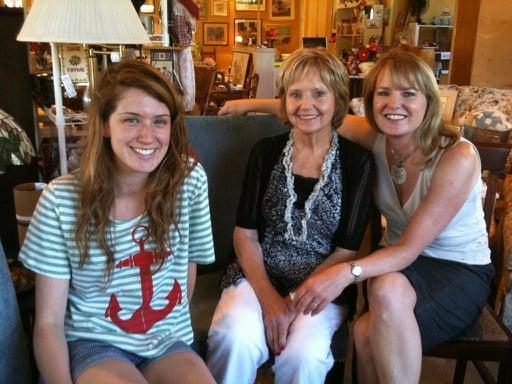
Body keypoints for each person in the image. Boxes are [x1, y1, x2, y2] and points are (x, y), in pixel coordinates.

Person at [218, 49, 494, 383]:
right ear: (370, 100)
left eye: (409, 93)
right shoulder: (381, 139)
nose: (395, 104)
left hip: (451, 268)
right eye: (384, 93)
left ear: (430, 101)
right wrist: (247, 105)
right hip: (399, 265)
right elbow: (308, 108)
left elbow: (407, 249)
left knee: (383, 292)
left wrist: (349, 272)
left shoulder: (457, 156)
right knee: (363, 332)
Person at [18, 60, 216, 384]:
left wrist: (166, 329)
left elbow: (186, 273)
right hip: (93, 343)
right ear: (106, 124)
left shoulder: (189, 181)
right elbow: (48, 324)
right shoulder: (60, 201)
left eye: (160, 121)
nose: (148, 135)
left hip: (165, 341)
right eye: (132, 120)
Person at [206, 48, 375, 384]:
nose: (305, 104)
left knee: (304, 357)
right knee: (234, 337)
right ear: (284, 101)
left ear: (338, 99)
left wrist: (293, 301)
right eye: (295, 94)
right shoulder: (265, 152)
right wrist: (269, 299)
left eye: (318, 94)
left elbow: (347, 249)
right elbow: (245, 232)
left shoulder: (359, 162)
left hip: (321, 287)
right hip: (257, 276)